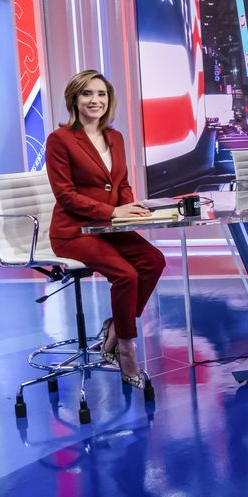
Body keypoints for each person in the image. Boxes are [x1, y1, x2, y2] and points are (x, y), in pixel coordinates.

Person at [45, 70, 166, 389]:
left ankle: (114, 328)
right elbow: (65, 195)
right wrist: (112, 211)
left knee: (153, 261)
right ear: (74, 99)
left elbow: (121, 183)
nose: (95, 100)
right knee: (125, 275)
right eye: (87, 94)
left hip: (110, 226)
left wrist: (130, 208)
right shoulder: (59, 140)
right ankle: (125, 349)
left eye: (101, 94)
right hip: (73, 231)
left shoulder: (115, 137)